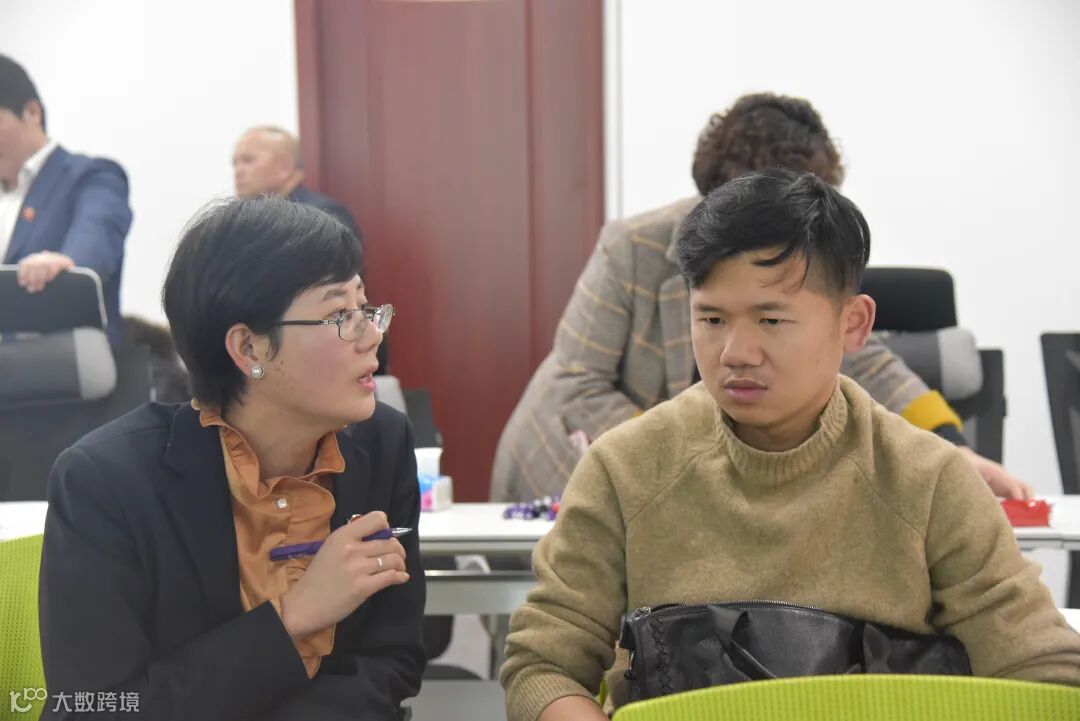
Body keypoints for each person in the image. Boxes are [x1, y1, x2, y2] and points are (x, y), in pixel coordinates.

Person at [500, 169, 1080, 721]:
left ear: (854, 324)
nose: (736, 353)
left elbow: (1041, 670)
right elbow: (543, 664)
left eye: (771, 321)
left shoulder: (929, 482)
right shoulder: (624, 469)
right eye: (711, 319)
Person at [491, 93, 1030, 504]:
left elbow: (872, 365)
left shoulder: (811, 255)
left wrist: (953, 447)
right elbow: (577, 383)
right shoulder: (632, 247)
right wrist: (683, 453)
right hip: (562, 463)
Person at [38, 196, 424, 720]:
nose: (373, 334)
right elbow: (94, 707)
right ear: (249, 349)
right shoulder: (106, 481)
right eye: (339, 315)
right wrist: (293, 617)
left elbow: (394, 658)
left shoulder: (382, 442)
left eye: (366, 308)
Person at [0, 54, 132, 346]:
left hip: (59, 360)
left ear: (31, 113)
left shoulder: (92, 177)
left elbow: (96, 230)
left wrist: (68, 262)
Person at [233, 125, 362, 242]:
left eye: (248, 161)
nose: (238, 171)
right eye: (235, 163)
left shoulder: (322, 215)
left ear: (284, 167)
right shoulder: (246, 218)